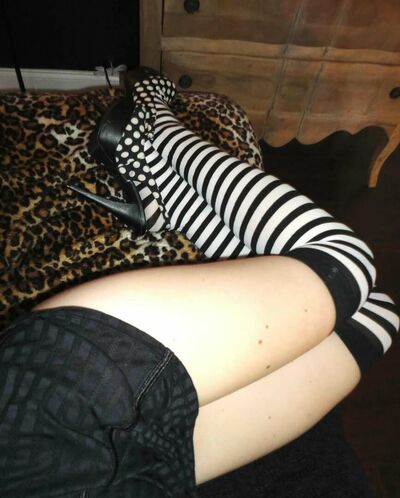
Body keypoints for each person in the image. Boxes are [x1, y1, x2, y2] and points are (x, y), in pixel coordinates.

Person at [0, 73, 398, 498]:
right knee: (370, 307)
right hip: (73, 448)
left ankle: (156, 153)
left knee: (352, 279)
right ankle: (153, 144)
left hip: (51, 443)